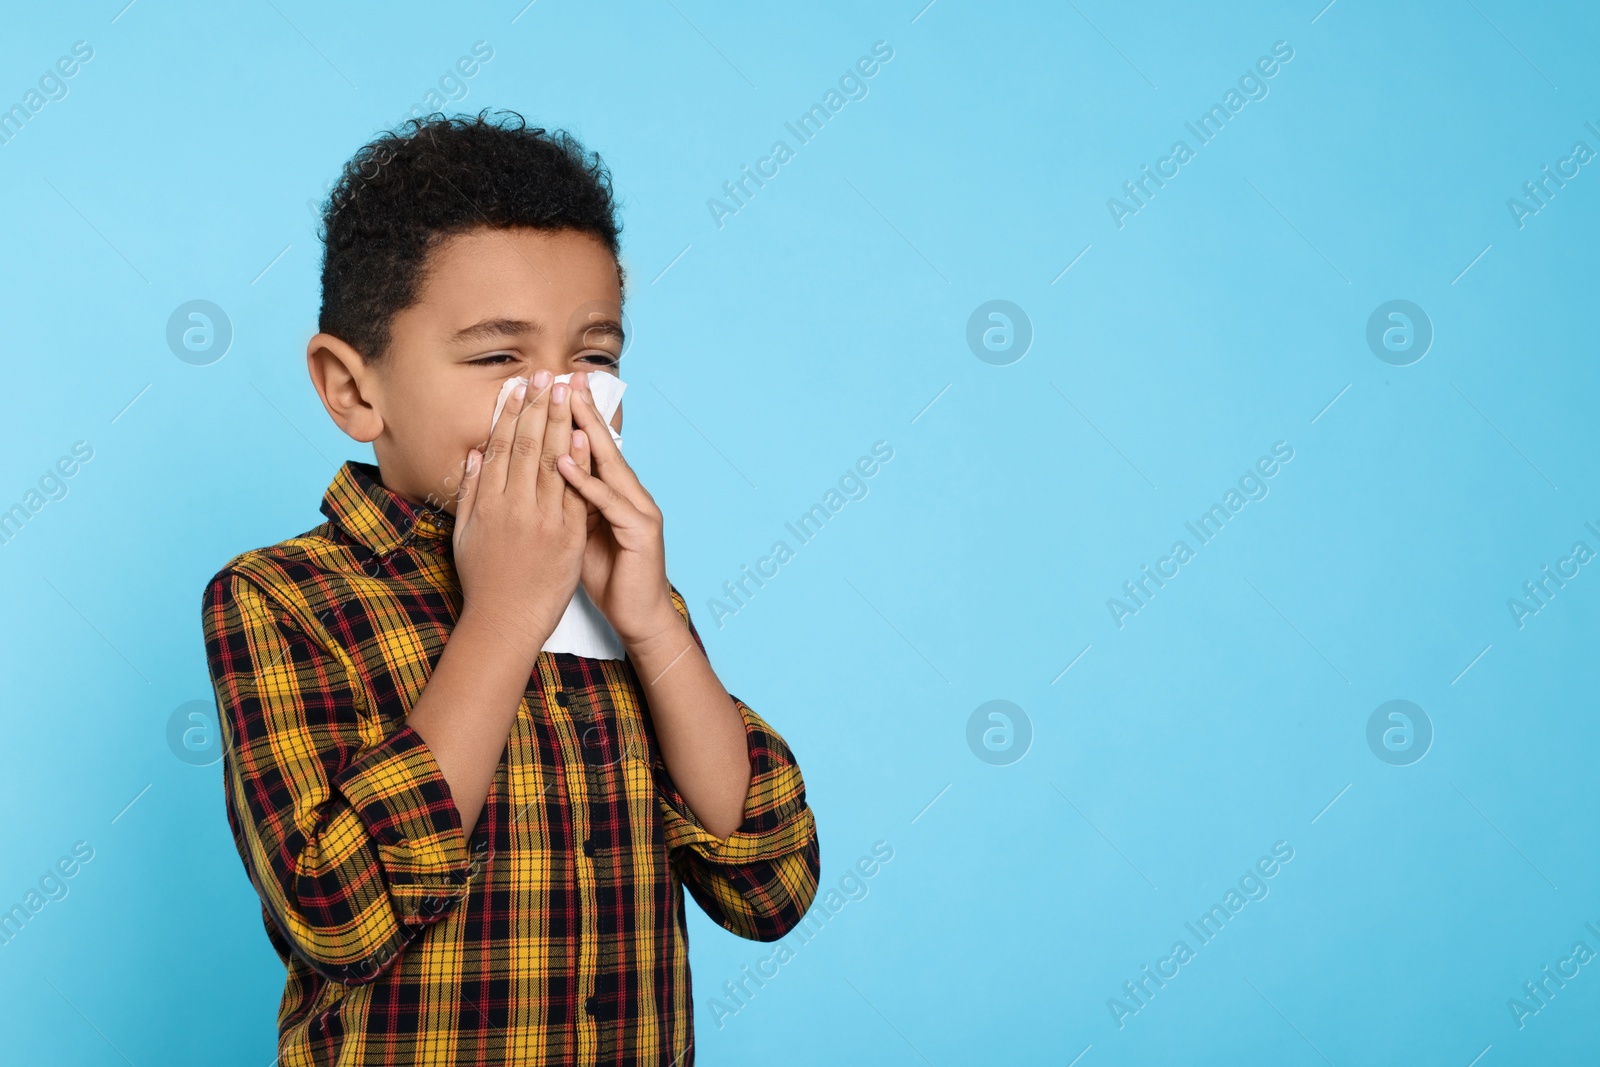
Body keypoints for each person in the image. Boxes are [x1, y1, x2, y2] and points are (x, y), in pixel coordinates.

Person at [199, 109, 820, 1065]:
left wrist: (651, 624)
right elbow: (341, 918)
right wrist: (504, 614)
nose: (557, 400)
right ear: (353, 389)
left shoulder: (624, 598)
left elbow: (769, 885)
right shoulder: (281, 599)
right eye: (498, 357)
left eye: (594, 357)